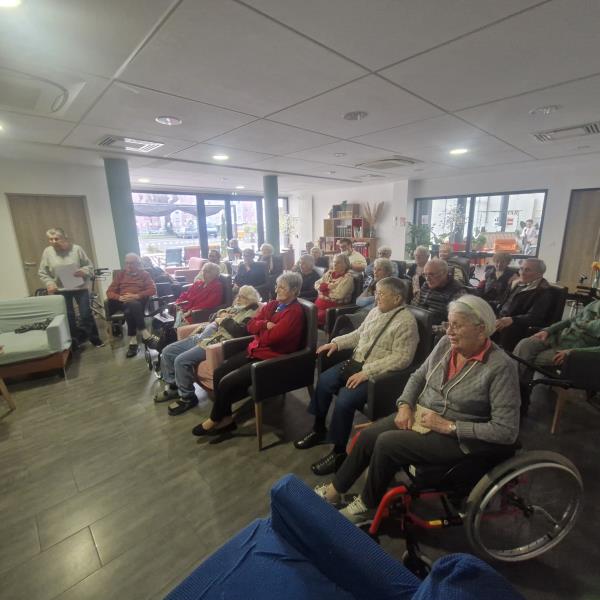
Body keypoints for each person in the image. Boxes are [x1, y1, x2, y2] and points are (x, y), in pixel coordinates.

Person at [314, 295, 520, 525]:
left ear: (481, 330)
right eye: (449, 324)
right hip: (422, 414)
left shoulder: (501, 367)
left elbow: (506, 431)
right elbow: (417, 376)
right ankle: (334, 492)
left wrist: (449, 426)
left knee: (387, 443)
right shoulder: (446, 344)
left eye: (457, 325)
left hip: (457, 437)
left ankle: (367, 505)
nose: (449, 331)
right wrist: (404, 405)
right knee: (367, 436)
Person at [295, 277, 418, 476]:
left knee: (345, 399)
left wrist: (367, 372)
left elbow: (402, 358)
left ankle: (339, 453)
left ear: (397, 298)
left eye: (381, 294)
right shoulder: (375, 311)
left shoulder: (406, 322)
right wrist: (336, 343)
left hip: (378, 376)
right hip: (356, 363)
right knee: (324, 381)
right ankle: (318, 429)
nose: (376, 297)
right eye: (376, 293)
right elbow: (359, 334)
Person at [191, 272, 305, 437]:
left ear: (294, 291)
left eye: (282, 287)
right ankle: (227, 419)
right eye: (277, 286)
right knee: (220, 371)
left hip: (271, 359)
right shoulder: (273, 304)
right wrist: (265, 324)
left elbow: (271, 339)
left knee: (227, 382)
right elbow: (250, 325)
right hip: (255, 350)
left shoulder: (294, 312)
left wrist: (260, 332)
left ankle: (214, 419)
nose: (276, 290)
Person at [155, 285, 261, 415]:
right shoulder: (235, 308)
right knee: (167, 351)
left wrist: (223, 320)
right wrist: (220, 314)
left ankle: (188, 398)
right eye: (238, 295)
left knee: (180, 360)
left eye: (242, 297)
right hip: (203, 336)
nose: (238, 299)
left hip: (214, 341)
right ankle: (174, 387)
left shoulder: (252, 314)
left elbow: (240, 332)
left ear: (250, 300)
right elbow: (211, 317)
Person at [513, 298, 600, 413]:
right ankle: (513, 395)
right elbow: (570, 320)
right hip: (558, 337)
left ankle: (515, 400)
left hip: (573, 351)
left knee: (526, 358)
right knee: (525, 344)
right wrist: (548, 330)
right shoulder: (595, 303)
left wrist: (574, 351)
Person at [38, 227, 103, 348]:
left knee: (85, 314)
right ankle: (75, 342)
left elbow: (89, 266)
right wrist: (49, 283)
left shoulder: (77, 249)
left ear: (64, 237)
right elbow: (43, 272)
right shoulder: (47, 252)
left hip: (80, 288)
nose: (53, 242)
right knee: (69, 317)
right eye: (50, 239)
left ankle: (95, 339)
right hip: (61, 290)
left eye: (56, 239)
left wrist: (83, 271)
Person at [494, 258, 553, 352]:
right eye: (521, 269)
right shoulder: (517, 283)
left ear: (540, 273)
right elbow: (501, 302)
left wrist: (512, 319)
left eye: (527, 270)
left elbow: (534, 316)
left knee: (507, 329)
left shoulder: (543, 291)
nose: (522, 273)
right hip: (502, 317)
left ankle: (502, 357)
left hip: (517, 324)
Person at [106, 253, 158, 357]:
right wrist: (119, 297)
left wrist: (137, 296)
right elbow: (109, 292)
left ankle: (133, 342)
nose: (129, 266)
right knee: (132, 306)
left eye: (132, 263)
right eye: (127, 263)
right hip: (123, 301)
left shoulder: (144, 274)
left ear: (138, 264)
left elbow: (153, 290)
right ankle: (145, 334)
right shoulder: (120, 275)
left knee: (131, 308)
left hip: (139, 302)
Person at [413, 258, 465, 324]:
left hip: (436, 328)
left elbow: (456, 322)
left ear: (445, 273)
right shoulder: (426, 284)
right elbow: (414, 305)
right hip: (418, 323)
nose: (427, 279)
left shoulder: (457, 291)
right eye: (425, 274)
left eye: (431, 274)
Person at [314, 254, 354, 326]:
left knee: (313, 318)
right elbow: (316, 284)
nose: (335, 264)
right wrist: (328, 287)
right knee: (306, 314)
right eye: (334, 262)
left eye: (338, 262)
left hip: (333, 308)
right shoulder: (329, 273)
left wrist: (323, 290)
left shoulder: (348, 278)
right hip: (318, 304)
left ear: (346, 264)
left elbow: (339, 295)